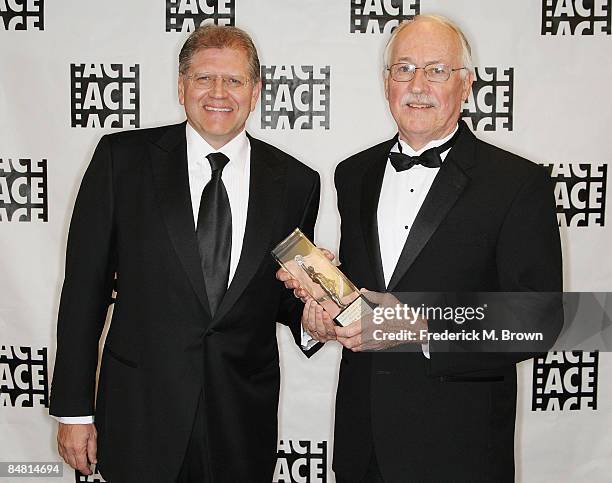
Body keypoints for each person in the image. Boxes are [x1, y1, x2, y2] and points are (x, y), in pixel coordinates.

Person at [278, 14, 562, 483]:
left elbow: (539, 319)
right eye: (403, 69)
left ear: (466, 84)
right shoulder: (354, 174)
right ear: (386, 82)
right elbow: (367, 296)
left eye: (436, 70)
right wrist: (322, 315)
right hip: (361, 442)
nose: (418, 84)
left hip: (460, 449)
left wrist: (417, 326)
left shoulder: (517, 183)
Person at [50, 25, 320, 483]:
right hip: (141, 415)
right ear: (181, 87)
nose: (219, 93)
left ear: (255, 92)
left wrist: (312, 317)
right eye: (203, 78)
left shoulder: (296, 182)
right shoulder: (122, 160)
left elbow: (281, 294)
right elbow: (84, 290)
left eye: (234, 81)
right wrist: (74, 411)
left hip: (241, 423)